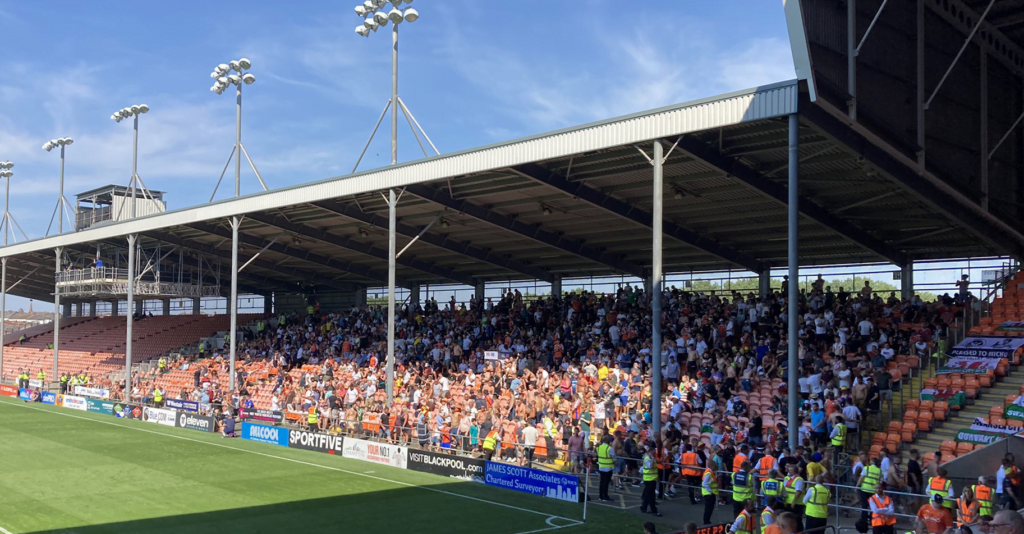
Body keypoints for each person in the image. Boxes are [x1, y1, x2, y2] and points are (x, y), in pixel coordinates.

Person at [640, 441, 662, 517]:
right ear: (651, 451)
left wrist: (657, 477)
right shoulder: (647, 458)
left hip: (652, 479)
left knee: (647, 495)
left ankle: (643, 507)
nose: (655, 452)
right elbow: (651, 466)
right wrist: (652, 459)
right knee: (651, 496)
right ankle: (654, 510)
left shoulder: (651, 457)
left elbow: (655, 469)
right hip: (649, 479)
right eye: (654, 451)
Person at [597, 435, 615, 502]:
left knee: (602, 482)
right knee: (606, 483)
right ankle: (605, 496)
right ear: (608, 441)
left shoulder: (599, 448)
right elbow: (614, 457)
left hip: (601, 467)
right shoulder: (609, 448)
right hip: (608, 468)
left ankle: (601, 496)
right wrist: (615, 462)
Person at [703, 456, 719, 525]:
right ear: (712, 466)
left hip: (709, 493)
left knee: (709, 509)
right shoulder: (709, 473)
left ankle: (707, 521)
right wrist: (710, 492)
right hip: (709, 494)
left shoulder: (709, 472)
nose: (716, 467)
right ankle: (706, 522)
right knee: (708, 509)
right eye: (715, 466)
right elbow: (705, 484)